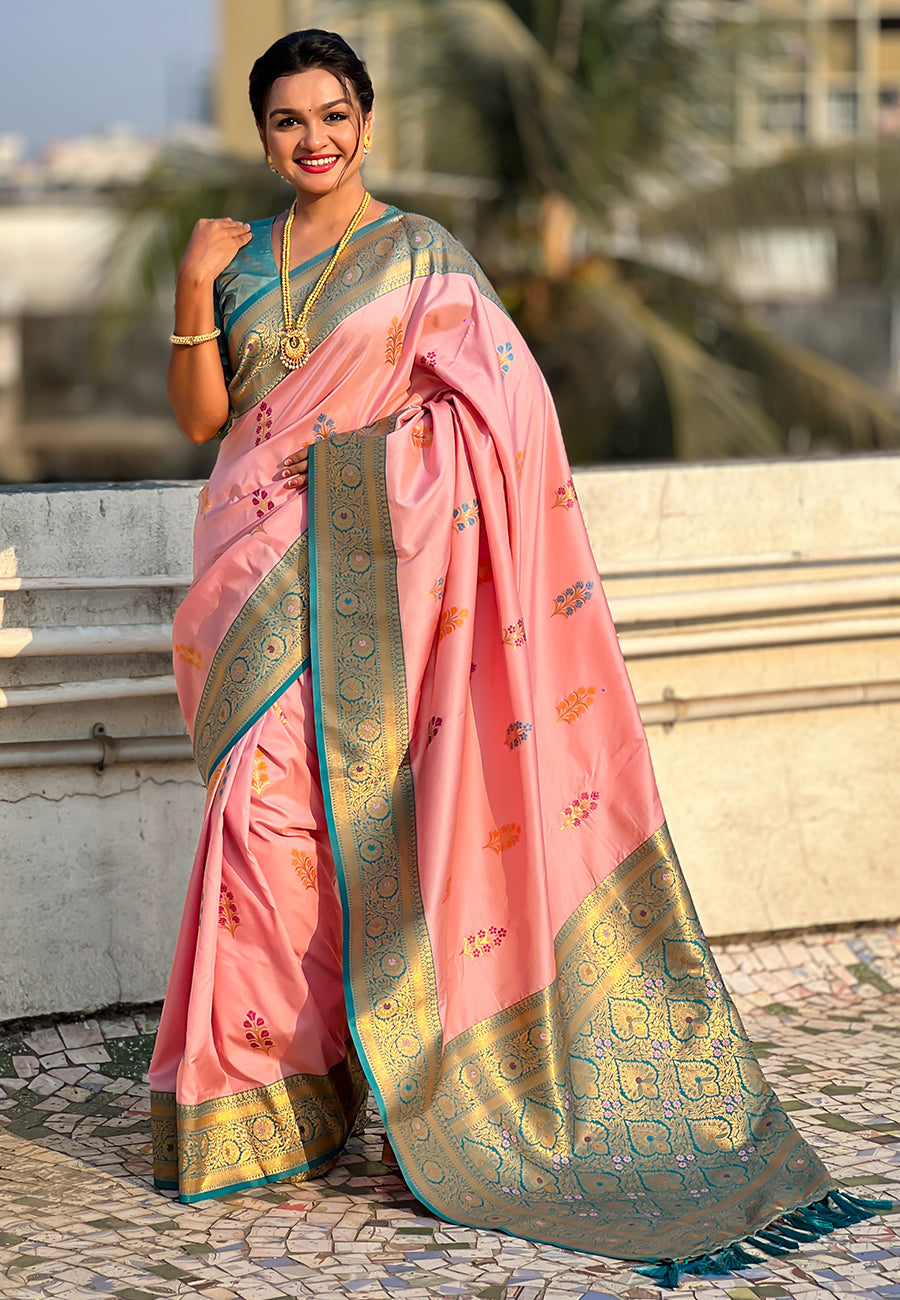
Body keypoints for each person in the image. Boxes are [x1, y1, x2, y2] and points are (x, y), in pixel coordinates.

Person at [148, 27, 891, 1287]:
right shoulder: (237, 258)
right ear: (264, 135)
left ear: (366, 123)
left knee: (358, 827)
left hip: (379, 577)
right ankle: (271, 1097)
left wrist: (373, 481)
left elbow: (508, 414)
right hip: (247, 576)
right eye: (287, 121)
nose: (312, 139)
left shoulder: (420, 258)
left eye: (333, 115)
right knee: (260, 824)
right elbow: (206, 421)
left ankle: (383, 1081)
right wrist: (188, 286)